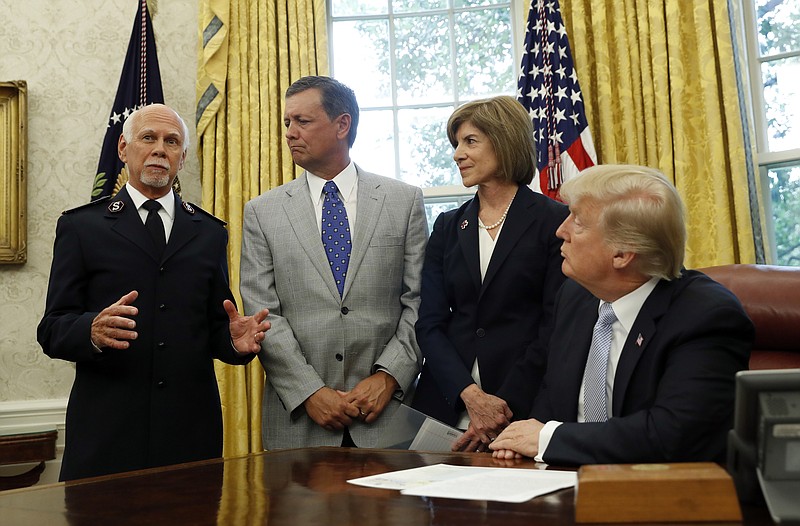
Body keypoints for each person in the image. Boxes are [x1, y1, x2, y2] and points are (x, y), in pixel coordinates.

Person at [37, 104, 271, 481]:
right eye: (149, 138)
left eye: (172, 141)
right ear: (123, 149)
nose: (160, 149)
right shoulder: (82, 227)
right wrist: (90, 332)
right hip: (106, 435)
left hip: (189, 437)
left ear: (181, 158)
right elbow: (51, 328)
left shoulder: (209, 232)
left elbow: (213, 328)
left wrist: (232, 342)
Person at [489, 164, 753, 465]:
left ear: (622, 254)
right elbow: (553, 394)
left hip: (659, 497)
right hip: (560, 486)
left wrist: (548, 439)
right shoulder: (575, 296)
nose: (560, 230)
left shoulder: (706, 316)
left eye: (578, 222)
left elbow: (674, 434)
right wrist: (524, 438)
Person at [239, 76, 428, 449]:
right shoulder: (262, 212)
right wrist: (309, 392)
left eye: (302, 122)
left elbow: (420, 301)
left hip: (387, 416)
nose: (291, 133)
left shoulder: (403, 201)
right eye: (287, 123)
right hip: (299, 423)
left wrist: (389, 377)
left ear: (342, 124)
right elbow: (264, 314)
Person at [410, 96, 568, 452]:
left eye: (470, 141)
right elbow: (430, 323)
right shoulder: (448, 226)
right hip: (447, 408)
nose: (456, 155)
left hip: (521, 410)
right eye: (456, 144)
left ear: (504, 140)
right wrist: (470, 396)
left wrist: (498, 407)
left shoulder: (553, 221)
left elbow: (555, 324)